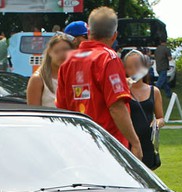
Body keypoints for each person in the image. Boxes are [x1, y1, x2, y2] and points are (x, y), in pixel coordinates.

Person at [56, 7, 142, 159]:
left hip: (77, 146)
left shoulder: (68, 61)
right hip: (108, 147)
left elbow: (62, 109)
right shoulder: (108, 58)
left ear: (89, 31)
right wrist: (135, 142)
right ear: (114, 36)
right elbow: (116, 107)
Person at [123, 50, 165, 170]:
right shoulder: (122, 90)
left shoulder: (154, 91)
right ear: (125, 69)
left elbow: (160, 117)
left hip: (146, 142)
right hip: (127, 141)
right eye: (130, 67)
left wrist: (158, 123)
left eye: (137, 66)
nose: (134, 70)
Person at [27, 34, 72, 108]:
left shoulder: (74, 77)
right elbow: (33, 113)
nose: (62, 54)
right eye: (56, 51)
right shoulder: (38, 79)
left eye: (66, 50)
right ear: (49, 53)